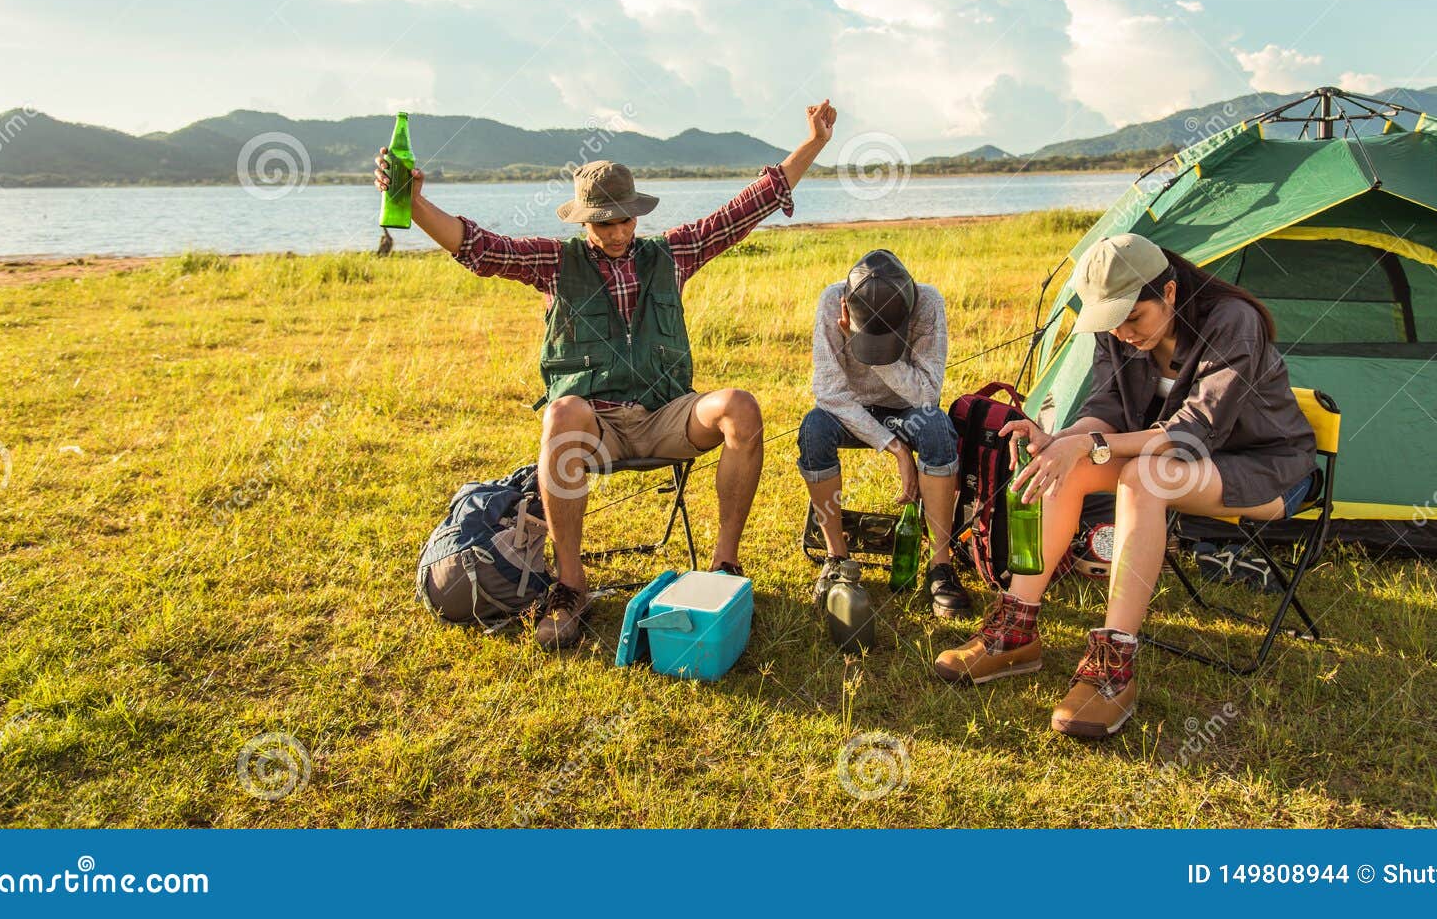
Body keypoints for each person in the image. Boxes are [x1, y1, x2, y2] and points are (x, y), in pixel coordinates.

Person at [376, 101, 840, 650]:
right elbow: (478, 247)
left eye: (625, 218)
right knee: (562, 410)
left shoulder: (672, 253)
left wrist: (813, 142)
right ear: (583, 221)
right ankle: (570, 587)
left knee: (740, 404)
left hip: (668, 415)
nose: (618, 232)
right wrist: (413, 200)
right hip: (596, 426)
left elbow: (745, 208)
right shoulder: (554, 263)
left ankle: (723, 567)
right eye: (604, 222)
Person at [933, 233, 1316, 738]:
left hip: (1264, 466)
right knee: (1063, 465)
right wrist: (1059, 440)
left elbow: (1195, 431)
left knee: (1142, 478)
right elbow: (1106, 407)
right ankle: (1016, 632)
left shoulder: (1232, 323)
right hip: (1174, 459)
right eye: (1114, 322)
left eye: (1135, 318)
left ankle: (1114, 663)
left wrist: (1090, 445)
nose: (1125, 332)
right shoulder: (1114, 330)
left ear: (1171, 293)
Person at [799, 249, 971, 618]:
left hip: (908, 409)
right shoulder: (832, 300)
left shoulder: (928, 303)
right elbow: (829, 393)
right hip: (850, 411)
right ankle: (837, 559)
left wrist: (876, 356)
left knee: (939, 429)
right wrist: (893, 447)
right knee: (813, 431)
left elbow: (927, 396)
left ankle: (940, 565)